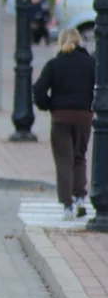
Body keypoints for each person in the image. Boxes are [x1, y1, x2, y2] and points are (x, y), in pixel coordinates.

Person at [34, 27, 95, 220]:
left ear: (60, 42)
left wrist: (49, 106)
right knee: (79, 157)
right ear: (79, 42)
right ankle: (80, 198)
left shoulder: (54, 64)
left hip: (60, 117)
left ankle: (67, 205)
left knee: (63, 160)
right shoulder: (91, 64)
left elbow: (39, 90)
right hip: (84, 115)